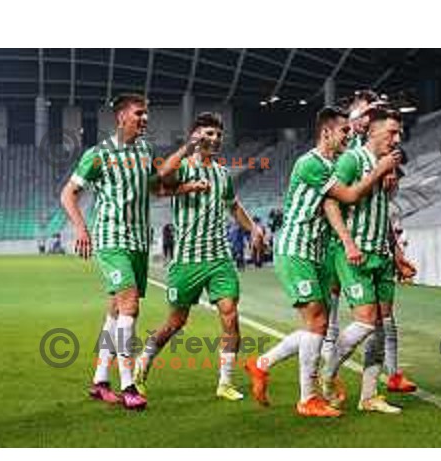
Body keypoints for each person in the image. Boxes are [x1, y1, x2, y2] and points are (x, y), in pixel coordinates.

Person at [245, 106, 401, 417]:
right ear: (326, 132)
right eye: (344, 131)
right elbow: (350, 196)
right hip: (296, 249)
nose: (349, 135)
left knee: (316, 326)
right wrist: (380, 169)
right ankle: (308, 398)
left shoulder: (334, 163)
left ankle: (262, 364)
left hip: (317, 253)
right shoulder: (310, 163)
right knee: (318, 324)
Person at [60, 93, 208, 411]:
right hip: (112, 240)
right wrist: (81, 228)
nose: (145, 119)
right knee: (129, 305)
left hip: (139, 241)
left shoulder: (143, 150)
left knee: (116, 310)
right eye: (139, 114)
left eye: (146, 115)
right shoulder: (98, 155)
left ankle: (100, 380)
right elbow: (68, 194)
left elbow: (154, 187)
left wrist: (185, 186)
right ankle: (128, 384)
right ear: (121, 117)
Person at [134, 112, 264, 402]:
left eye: (218, 135)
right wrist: (186, 162)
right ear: (195, 135)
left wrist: (254, 228)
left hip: (219, 258)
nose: (215, 139)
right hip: (187, 260)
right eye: (208, 133)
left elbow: (234, 207)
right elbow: (160, 180)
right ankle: (144, 361)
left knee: (230, 314)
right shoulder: (184, 167)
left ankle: (225, 382)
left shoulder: (221, 174)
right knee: (176, 323)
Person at [321, 108, 408, 413]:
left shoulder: (388, 165)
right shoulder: (352, 159)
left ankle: (369, 396)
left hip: (381, 256)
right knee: (366, 321)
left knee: (381, 326)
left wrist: (397, 254)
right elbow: (331, 203)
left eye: (399, 133)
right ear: (372, 131)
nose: (397, 138)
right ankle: (328, 373)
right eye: (391, 133)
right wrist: (347, 243)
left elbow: (383, 214)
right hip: (355, 253)